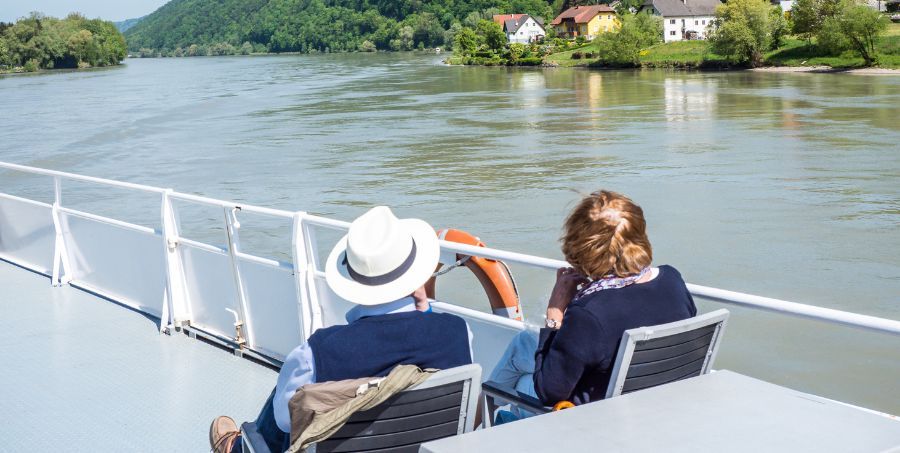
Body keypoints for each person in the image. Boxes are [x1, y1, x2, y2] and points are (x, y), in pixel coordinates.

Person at [210, 206, 473, 453]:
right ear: (416, 276)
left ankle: (237, 447)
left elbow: (284, 423)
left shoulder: (315, 353)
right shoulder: (458, 332)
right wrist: (425, 313)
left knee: (288, 395)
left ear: (353, 278)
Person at [490, 190, 697, 413]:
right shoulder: (672, 280)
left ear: (581, 246)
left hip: (599, 419)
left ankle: (480, 423)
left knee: (520, 383)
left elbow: (549, 392)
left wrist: (555, 312)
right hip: (662, 406)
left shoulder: (589, 315)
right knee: (524, 343)